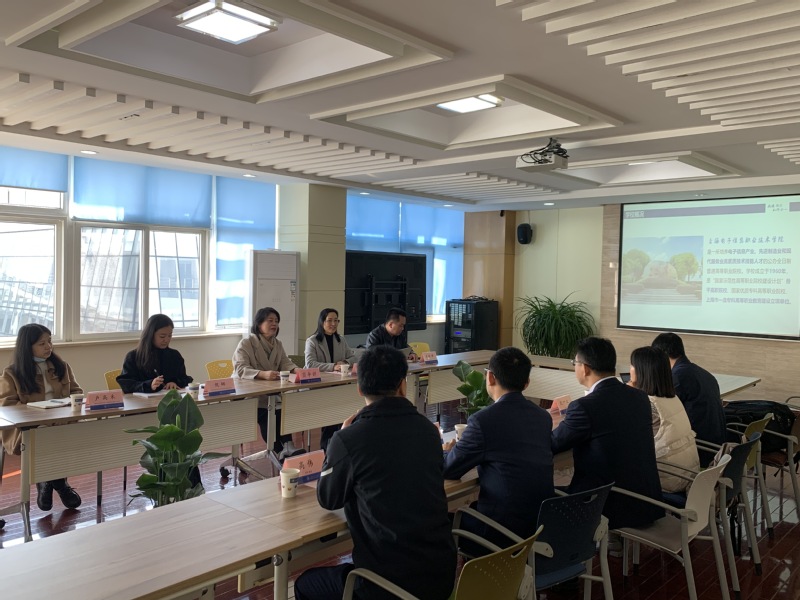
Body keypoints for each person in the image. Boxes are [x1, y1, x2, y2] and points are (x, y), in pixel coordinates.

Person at [293, 346, 456, 600]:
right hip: (441, 577)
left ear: (359, 388)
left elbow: (328, 499)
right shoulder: (428, 430)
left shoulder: (349, 439)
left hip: (385, 586)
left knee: (305, 584)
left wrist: (338, 443)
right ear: (403, 385)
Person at [442, 347, 554, 552]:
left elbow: (449, 469)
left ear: (490, 377)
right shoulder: (542, 417)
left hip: (499, 533)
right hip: (538, 525)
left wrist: (448, 451)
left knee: (439, 521)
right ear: (527, 383)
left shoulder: (483, 421)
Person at [551, 337, 663, 530]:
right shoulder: (640, 397)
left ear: (585, 368)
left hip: (608, 505)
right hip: (645, 500)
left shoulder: (585, 407)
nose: (574, 367)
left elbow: (554, 443)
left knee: (538, 496)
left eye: (575, 363)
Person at [0, 324, 82, 512]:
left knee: (72, 433)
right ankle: (60, 484)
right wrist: (36, 411)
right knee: (46, 435)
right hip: (28, 428)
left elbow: (76, 391)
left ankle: (47, 481)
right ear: (27, 347)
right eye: (42, 343)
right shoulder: (12, 373)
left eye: (50, 341)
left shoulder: (61, 366)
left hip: (60, 422)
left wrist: (70, 403)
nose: (48, 347)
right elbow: (7, 406)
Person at [233, 307, 303, 460]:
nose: (274, 324)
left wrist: (296, 370)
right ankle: (278, 450)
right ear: (259, 324)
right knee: (266, 412)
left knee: (282, 410)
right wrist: (263, 374)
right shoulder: (246, 343)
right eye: (270, 321)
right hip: (249, 395)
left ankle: (288, 446)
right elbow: (241, 368)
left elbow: (285, 362)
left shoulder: (277, 343)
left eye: (276, 321)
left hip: (271, 393)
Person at [629, 346, 700, 493]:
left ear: (641, 371)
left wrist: (628, 393)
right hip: (689, 474)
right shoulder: (673, 398)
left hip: (667, 480)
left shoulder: (648, 404)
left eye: (632, 365)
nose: (630, 369)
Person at [651, 333, 726, 457]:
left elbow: (663, 412)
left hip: (699, 448)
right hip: (716, 445)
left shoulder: (677, 377)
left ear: (662, 355)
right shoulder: (703, 373)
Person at [304, 308, 357, 451]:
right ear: (322, 322)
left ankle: (337, 444)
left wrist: (345, 362)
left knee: (343, 409)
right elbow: (310, 364)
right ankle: (328, 446)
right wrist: (333, 366)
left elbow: (353, 357)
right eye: (329, 320)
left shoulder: (341, 339)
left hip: (338, 384)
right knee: (332, 410)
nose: (333, 324)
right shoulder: (312, 341)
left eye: (336, 320)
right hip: (319, 387)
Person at [117, 314, 193, 394]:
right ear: (150, 335)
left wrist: (175, 382)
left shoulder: (174, 355)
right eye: (162, 336)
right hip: (142, 400)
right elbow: (126, 384)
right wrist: (149, 385)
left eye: (169, 335)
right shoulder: (133, 357)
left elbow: (185, 378)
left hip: (170, 399)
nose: (166, 340)